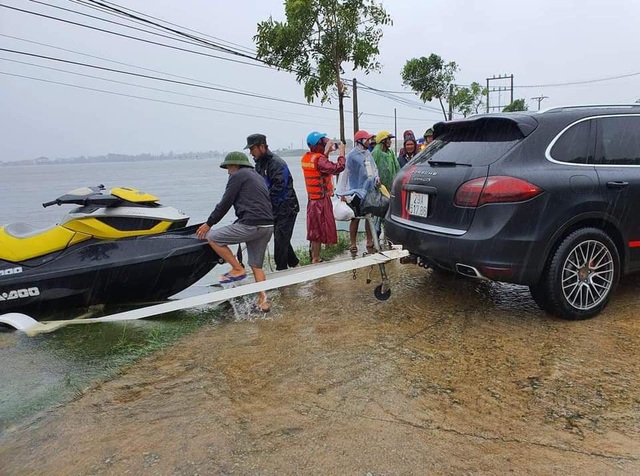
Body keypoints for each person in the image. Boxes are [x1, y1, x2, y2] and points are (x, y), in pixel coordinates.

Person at [196, 151, 274, 312]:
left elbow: (225, 203)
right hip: (267, 226)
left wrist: (209, 223)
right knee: (257, 266)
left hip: (251, 225)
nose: (228, 170)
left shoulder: (237, 176)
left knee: (213, 237)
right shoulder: (257, 176)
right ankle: (263, 301)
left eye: (228, 167)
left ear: (236, 165)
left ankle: (237, 268)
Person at [245, 133, 300, 271]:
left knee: (280, 239)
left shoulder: (277, 163)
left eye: (252, 149)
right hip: (273, 208)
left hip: (287, 207)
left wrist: (263, 200)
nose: (251, 153)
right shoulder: (259, 164)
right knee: (282, 238)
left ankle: (281, 270)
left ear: (262, 146)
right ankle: (295, 264)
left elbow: (279, 187)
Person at [301, 131, 346, 264]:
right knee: (320, 229)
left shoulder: (308, 157)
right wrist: (341, 153)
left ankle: (315, 257)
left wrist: (326, 153)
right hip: (320, 201)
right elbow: (338, 167)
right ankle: (316, 258)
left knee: (315, 229)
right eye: (324, 141)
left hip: (312, 200)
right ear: (318, 144)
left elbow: (319, 166)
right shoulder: (320, 160)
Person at [339, 129, 379, 254]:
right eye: (366, 139)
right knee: (355, 218)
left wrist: (377, 178)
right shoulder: (351, 155)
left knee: (369, 217)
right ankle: (353, 243)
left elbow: (374, 169)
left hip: (368, 191)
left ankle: (369, 240)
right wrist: (342, 192)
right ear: (359, 141)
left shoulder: (368, 153)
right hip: (356, 191)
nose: (369, 141)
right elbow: (345, 173)